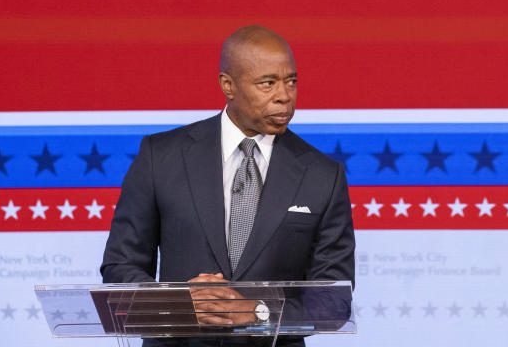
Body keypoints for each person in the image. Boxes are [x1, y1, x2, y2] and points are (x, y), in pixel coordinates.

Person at [101, 26, 355, 345]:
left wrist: (259, 312)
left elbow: (333, 301)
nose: (284, 96)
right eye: (268, 83)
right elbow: (119, 268)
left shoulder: (322, 174)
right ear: (228, 85)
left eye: (291, 81)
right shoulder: (161, 157)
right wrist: (178, 303)